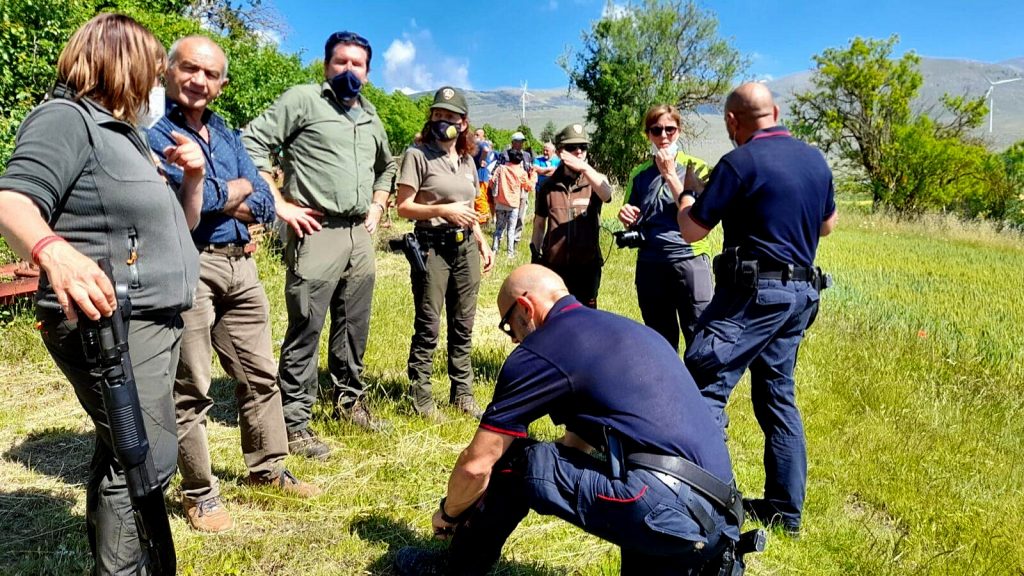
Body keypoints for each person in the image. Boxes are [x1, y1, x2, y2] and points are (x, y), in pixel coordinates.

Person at [0, 14, 203, 574]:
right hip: (110, 322)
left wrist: (190, 181)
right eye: (152, 72)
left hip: (150, 320)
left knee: (124, 446)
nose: (155, 86)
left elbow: (174, 231)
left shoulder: (123, 135)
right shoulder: (65, 119)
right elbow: (12, 200)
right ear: (123, 63)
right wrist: (53, 252)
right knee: (139, 460)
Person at [393, 264, 741, 575]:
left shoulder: (541, 349)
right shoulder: (623, 332)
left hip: (663, 507)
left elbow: (478, 464)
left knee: (515, 462)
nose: (513, 339)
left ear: (526, 308)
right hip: (717, 520)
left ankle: (452, 569)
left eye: (509, 326)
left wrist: (450, 513)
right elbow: (577, 445)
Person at [147, 36, 320, 533]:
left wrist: (229, 192)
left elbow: (264, 201)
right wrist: (236, 190)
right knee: (191, 386)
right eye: (190, 69)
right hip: (190, 264)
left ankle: (268, 469)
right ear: (169, 70)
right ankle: (200, 494)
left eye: (210, 74)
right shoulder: (154, 133)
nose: (199, 81)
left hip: (241, 264)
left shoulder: (225, 133)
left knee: (260, 374)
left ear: (221, 85)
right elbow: (178, 202)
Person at [678, 82, 838, 537]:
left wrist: (689, 192)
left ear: (732, 121)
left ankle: (709, 504)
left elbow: (692, 231)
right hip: (801, 295)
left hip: (753, 295)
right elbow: (827, 226)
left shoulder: (739, 161)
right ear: (777, 111)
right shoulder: (814, 159)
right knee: (777, 394)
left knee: (704, 383)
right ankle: (785, 511)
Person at [243, 31, 397, 458]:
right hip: (315, 230)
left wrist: (378, 206)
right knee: (306, 325)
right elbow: (250, 143)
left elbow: (388, 167)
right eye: (341, 62)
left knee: (354, 325)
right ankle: (294, 422)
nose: (349, 71)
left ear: (368, 72)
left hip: (359, 235)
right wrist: (277, 204)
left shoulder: (369, 116)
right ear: (326, 65)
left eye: (357, 64)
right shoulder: (303, 100)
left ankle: (350, 404)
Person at [395, 87, 495, 420]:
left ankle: (462, 395)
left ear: (463, 123)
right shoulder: (417, 155)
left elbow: (467, 206)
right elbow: (404, 207)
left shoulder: (468, 160)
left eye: (449, 117)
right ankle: (421, 397)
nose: (442, 121)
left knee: (463, 324)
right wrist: (444, 208)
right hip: (431, 246)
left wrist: (481, 239)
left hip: (465, 245)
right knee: (428, 325)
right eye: (437, 115)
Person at [619, 104, 714, 351]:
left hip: (690, 260)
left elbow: (700, 216)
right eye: (656, 130)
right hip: (651, 264)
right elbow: (632, 214)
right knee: (659, 341)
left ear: (679, 132)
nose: (663, 137)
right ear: (647, 134)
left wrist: (671, 174)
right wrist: (626, 215)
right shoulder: (639, 174)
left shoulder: (697, 168)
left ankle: (699, 390)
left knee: (699, 335)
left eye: (670, 130)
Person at [530, 124, 613, 308]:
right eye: (572, 148)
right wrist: (535, 259)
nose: (578, 151)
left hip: (587, 268)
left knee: (587, 322)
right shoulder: (548, 187)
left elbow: (607, 195)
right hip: (555, 268)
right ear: (560, 152)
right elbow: (539, 225)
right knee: (556, 319)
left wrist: (584, 168)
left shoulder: (595, 182)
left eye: (583, 147)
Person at [489, 149, 534, 258]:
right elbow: (528, 187)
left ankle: (495, 249)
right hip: (513, 205)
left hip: (500, 203)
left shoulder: (501, 168)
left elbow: (491, 182)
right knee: (511, 229)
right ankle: (510, 253)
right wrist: (532, 175)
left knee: (499, 228)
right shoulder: (521, 172)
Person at [471, 128, 495, 225]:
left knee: (480, 198)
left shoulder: (481, 144)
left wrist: (482, 159)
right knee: (478, 199)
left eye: (477, 135)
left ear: (482, 137)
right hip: (478, 177)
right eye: (475, 134)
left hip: (481, 177)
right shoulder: (476, 145)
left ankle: (483, 222)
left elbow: (486, 149)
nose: (475, 137)